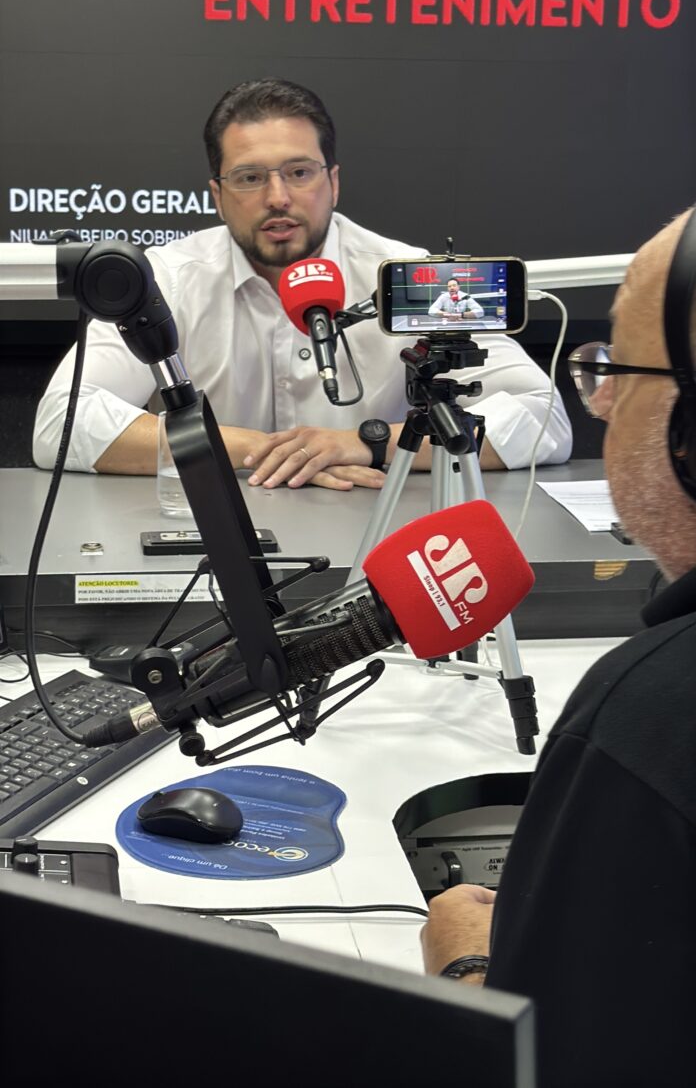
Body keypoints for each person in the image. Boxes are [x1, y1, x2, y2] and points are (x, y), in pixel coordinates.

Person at [421, 207, 696, 1087]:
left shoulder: (648, 719)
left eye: (616, 368)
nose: (600, 400)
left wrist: (467, 966)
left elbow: (540, 1066)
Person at [33, 78, 571, 488]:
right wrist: (265, 450)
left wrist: (368, 445)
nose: (278, 198)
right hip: (216, 543)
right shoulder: (168, 278)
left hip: (378, 535)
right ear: (217, 195)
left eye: (299, 172)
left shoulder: (409, 276)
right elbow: (60, 423)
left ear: (333, 182)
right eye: (249, 178)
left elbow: (544, 418)